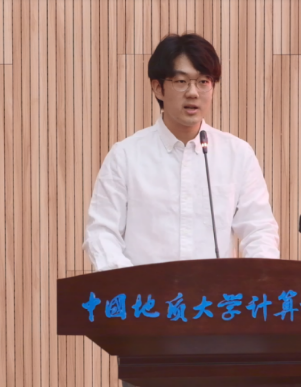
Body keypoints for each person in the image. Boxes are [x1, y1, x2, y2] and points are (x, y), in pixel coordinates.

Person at [83, 33, 280, 271]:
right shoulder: (125, 157)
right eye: (181, 81)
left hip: (215, 294)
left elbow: (259, 229)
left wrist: (257, 280)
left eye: (203, 81)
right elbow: (102, 233)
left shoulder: (237, 155)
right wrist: (131, 285)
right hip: (145, 294)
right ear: (158, 88)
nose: (193, 92)